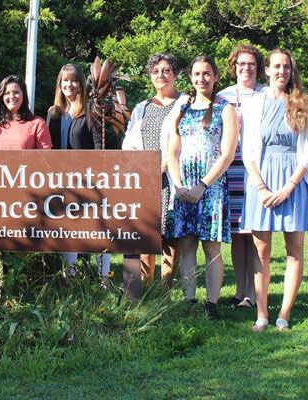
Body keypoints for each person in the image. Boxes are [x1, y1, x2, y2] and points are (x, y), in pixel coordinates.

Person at [242, 49, 308, 332]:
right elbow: (248, 149)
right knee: (260, 252)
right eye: (276, 66)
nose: (281, 71)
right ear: (268, 70)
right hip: (261, 181)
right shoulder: (254, 104)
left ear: (291, 70)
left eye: (286, 66)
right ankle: (262, 315)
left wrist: (288, 187)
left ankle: (284, 314)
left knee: (294, 250)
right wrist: (261, 188)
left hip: (293, 182)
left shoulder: (304, 104)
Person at [165, 56, 238, 320]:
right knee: (185, 247)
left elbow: (227, 154)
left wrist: (202, 185)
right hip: (184, 185)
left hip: (211, 186)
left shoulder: (225, 109)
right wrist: (179, 185)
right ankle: (189, 299)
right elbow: (172, 151)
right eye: (196, 74)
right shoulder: (183, 108)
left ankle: (212, 304)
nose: (201, 79)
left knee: (211, 248)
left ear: (216, 76)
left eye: (207, 74)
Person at [121, 53, 187, 286]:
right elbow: (129, 142)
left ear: (175, 75)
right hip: (145, 179)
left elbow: (185, 142)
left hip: (171, 176)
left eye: (166, 70)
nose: (161, 75)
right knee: (146, 231)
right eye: (156, 71)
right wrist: (142, 169)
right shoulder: (142, 107)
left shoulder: (185, 103)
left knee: (170, 233)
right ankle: (146, 284)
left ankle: (166, 285)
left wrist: (163, 165)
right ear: (150, 76)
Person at [46, 64, 110, 278]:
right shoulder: (53, 113)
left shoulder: (91, 109)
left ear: (81, 83)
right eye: (65, 80)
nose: (69, 85)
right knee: (68, 229)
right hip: (61, 181)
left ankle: (104, 278)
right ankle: (69, 278)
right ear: (59, 84)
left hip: (88, 179)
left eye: (73, 80)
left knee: (96, 228)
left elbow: (99, 145)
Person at [217, 44, 268, 308]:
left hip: (259, 169)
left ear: (258, 67)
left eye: (250, 64)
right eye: (241, 63)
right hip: (232, 168)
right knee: (238, 232)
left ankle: (254, 291)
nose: (245, 68)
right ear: (233, 66)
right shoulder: (223, 96)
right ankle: (240, 290)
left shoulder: (267, 94)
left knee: (256, 232)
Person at [0, 75, 52, 150]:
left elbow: (44, 159)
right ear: (2, 96)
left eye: (16, 92)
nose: (11, 96)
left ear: (24, 95)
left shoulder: (38, 124)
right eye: (7, 93)